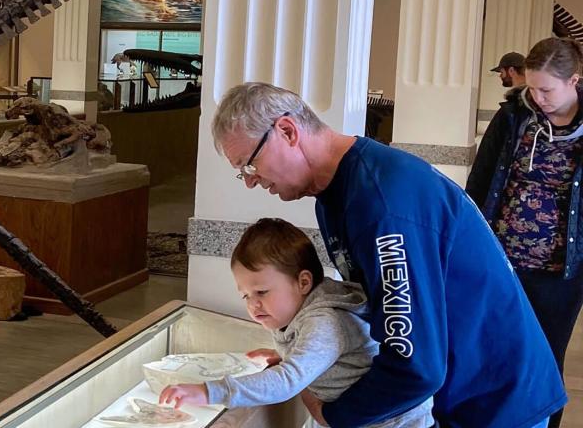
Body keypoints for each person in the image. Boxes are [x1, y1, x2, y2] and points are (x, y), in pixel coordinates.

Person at [210, 82, 564, 428]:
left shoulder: (382, 204)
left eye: (250, 165)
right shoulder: (334, 195)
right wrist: (306, 358)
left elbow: (415, 366)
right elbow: (374, 310)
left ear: (287, 131)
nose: (250, 181)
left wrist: (334, 414)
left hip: (494, 399)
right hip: (462, 389)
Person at [158, 218, 433, 428]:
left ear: (303, 282)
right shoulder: (308, 312)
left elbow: (288, 380)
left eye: (262, 292)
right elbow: (322, 354)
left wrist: (210, 391)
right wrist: (286, 353)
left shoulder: (324, 320)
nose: (253, 305)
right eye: (245, 295)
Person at [467, 37, 583, 428]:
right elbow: (482, 179)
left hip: (561, 272)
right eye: (532, 88)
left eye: (547, 89)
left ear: (574, 81)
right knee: (494, 350)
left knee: (546, 359)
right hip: (502, 261)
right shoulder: (515, 116)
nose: (538, 97)